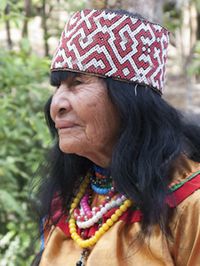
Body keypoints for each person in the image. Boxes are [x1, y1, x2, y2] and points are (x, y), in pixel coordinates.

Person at [32, 8, 200, 266]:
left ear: (129, 101)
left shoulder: (190, 203)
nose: (57, 105)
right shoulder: (67, 199)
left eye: (77, 82)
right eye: (58, 86)